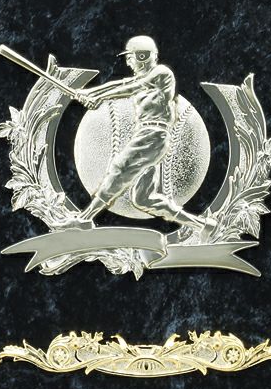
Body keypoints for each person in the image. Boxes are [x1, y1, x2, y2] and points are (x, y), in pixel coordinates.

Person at [74, 36, 213, 240]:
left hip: (152, 135)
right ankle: (203, 226)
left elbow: (131, 88)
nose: (128, 62)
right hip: (151, 137)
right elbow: (120, 84)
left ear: (142, 56)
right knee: (143, 199)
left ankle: (84, 219)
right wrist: (88, 93)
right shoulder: (144, 77)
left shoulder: (161, 72)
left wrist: (98, 97)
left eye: (131, 57)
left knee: (120, 168)